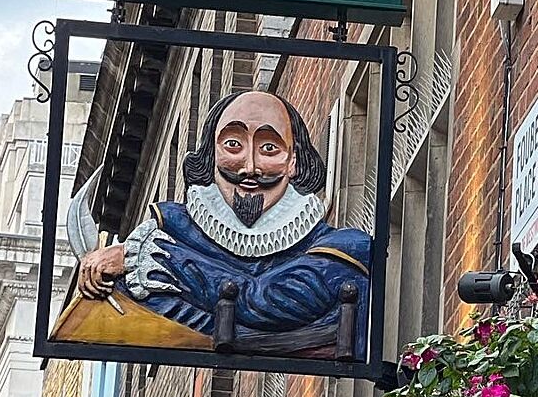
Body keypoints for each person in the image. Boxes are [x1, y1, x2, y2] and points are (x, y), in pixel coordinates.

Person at [74, 90, 372, 353]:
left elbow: (266, 302)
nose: (250, 167)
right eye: (232, 145)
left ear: (293, 161)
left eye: (269, 148)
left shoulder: (344, 248)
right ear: (211, 154)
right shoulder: (170, 228)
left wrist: (153, 259)